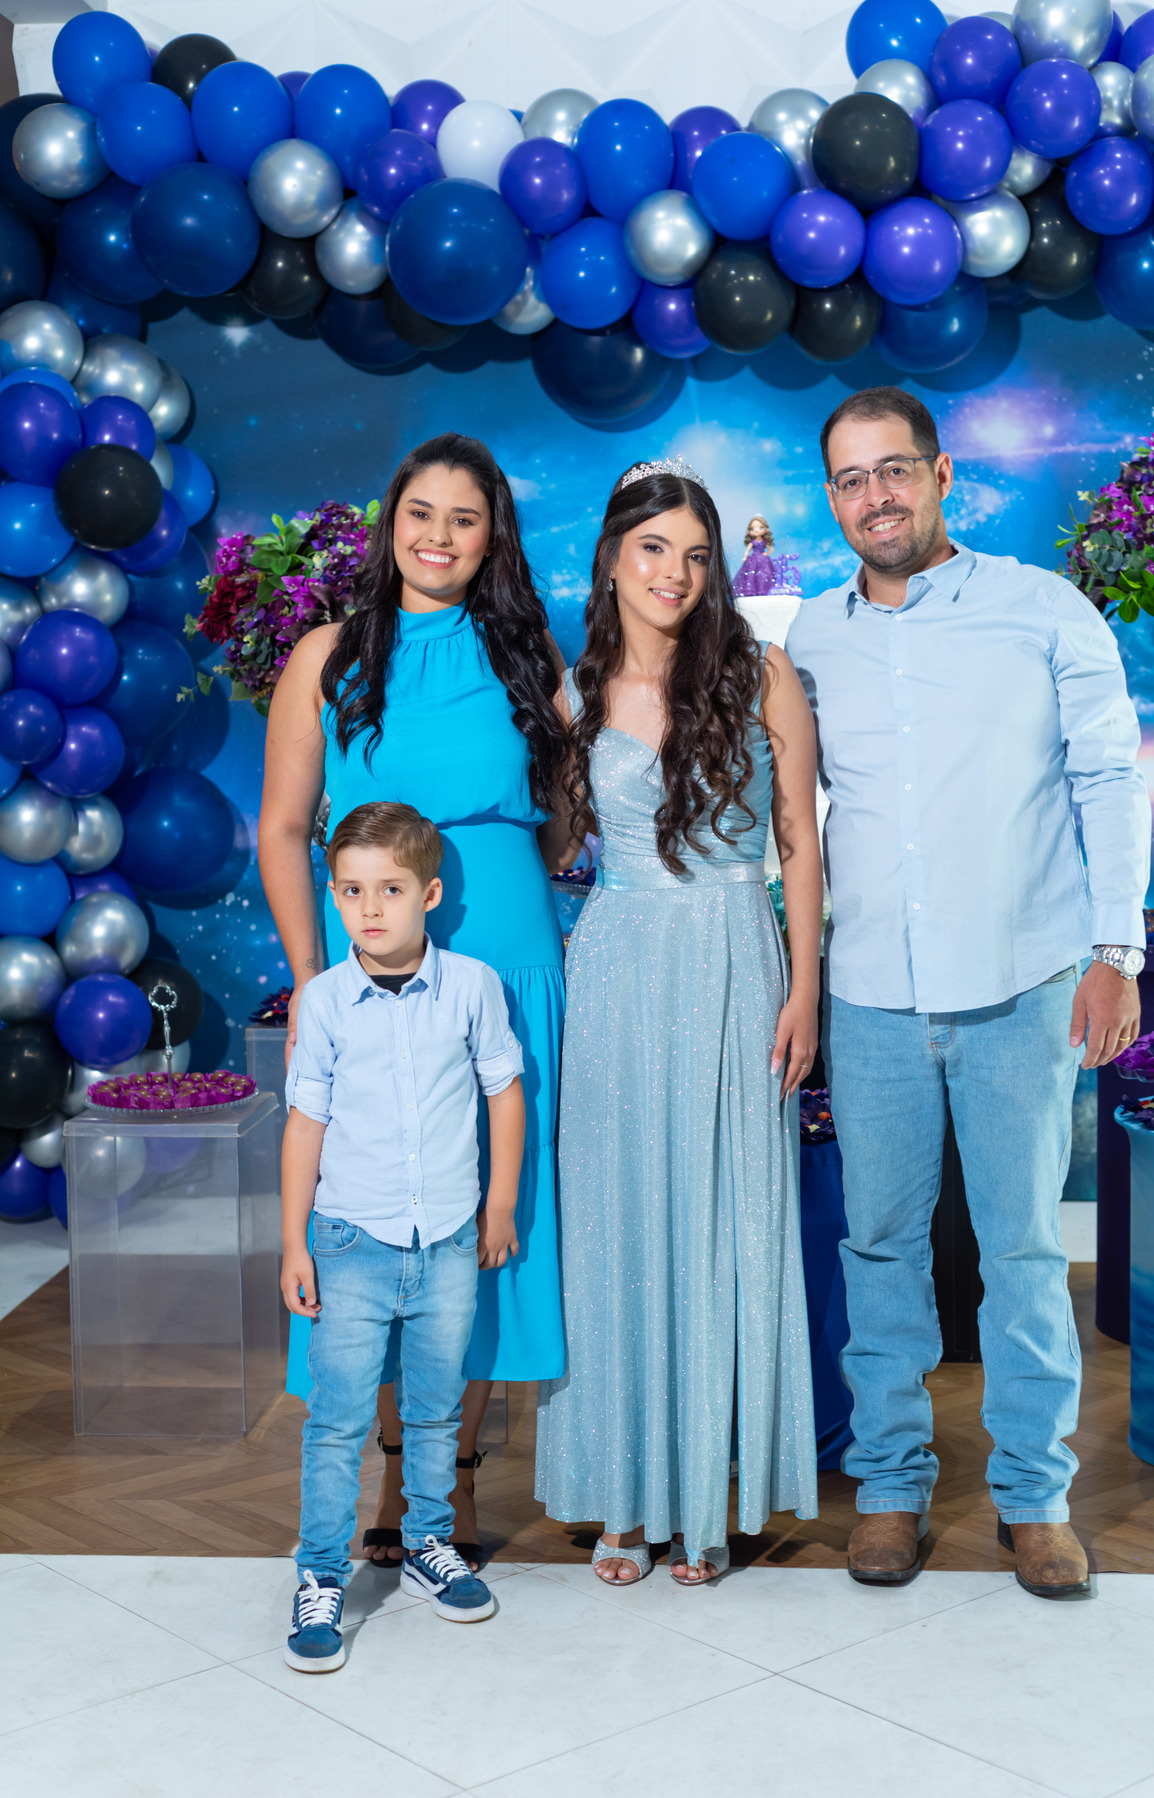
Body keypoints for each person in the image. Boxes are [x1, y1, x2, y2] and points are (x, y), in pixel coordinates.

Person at [787, 387, 1151, 1599]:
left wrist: (1115, 951)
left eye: (895, 469)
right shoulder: (811, 640)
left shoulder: (1042, 608)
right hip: (871, 995)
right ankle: (890, 1486)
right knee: (880, 1249)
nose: (876, 496)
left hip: (1021, 982)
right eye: (852, 479)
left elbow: (1109, 777)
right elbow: (788, 814)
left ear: (942, 476)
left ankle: (1034, 1498)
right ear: (831, 498)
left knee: (1025, 1250)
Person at [259, 434, 568, 1570]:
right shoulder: (327, 656)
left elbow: (575, 805)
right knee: (377, 1200)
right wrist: (312, 980)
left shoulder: (527, 651)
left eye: (464, 518)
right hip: (373, 965)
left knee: (483, 1212)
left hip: (510, 960)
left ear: (493, 539)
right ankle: (392, 1466)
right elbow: (282, 828)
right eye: (420, 513)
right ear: (392, 524)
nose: (438, 536)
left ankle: (456, 1475)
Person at [536, 459, 823, 1584]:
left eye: (697, 555)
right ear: (612, 557)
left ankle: (704, 1497)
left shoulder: (762, 673)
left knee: (724, 1222)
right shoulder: (572, 692)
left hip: (735, 955)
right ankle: (623, 1495)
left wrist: (803, 987)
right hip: (616, 966)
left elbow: (799, 841)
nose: (676, 572)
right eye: (654, 548)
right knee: (617, 1225)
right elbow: (558, 848)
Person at [281, 802, 524, 1671]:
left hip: (449, 1238)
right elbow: (305, 1125)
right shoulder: (324, 1002)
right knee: (337, 1420)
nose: (370, 908)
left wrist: (500, 1205)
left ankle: (428, 1544)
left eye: (389, 889)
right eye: (351, 891)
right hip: (351, 1240)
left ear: (430, 894)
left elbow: (503, 1094)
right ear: (334, 897)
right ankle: (320, 1574)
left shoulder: (473, 987)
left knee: (434, 1409)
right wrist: (294, 1242)